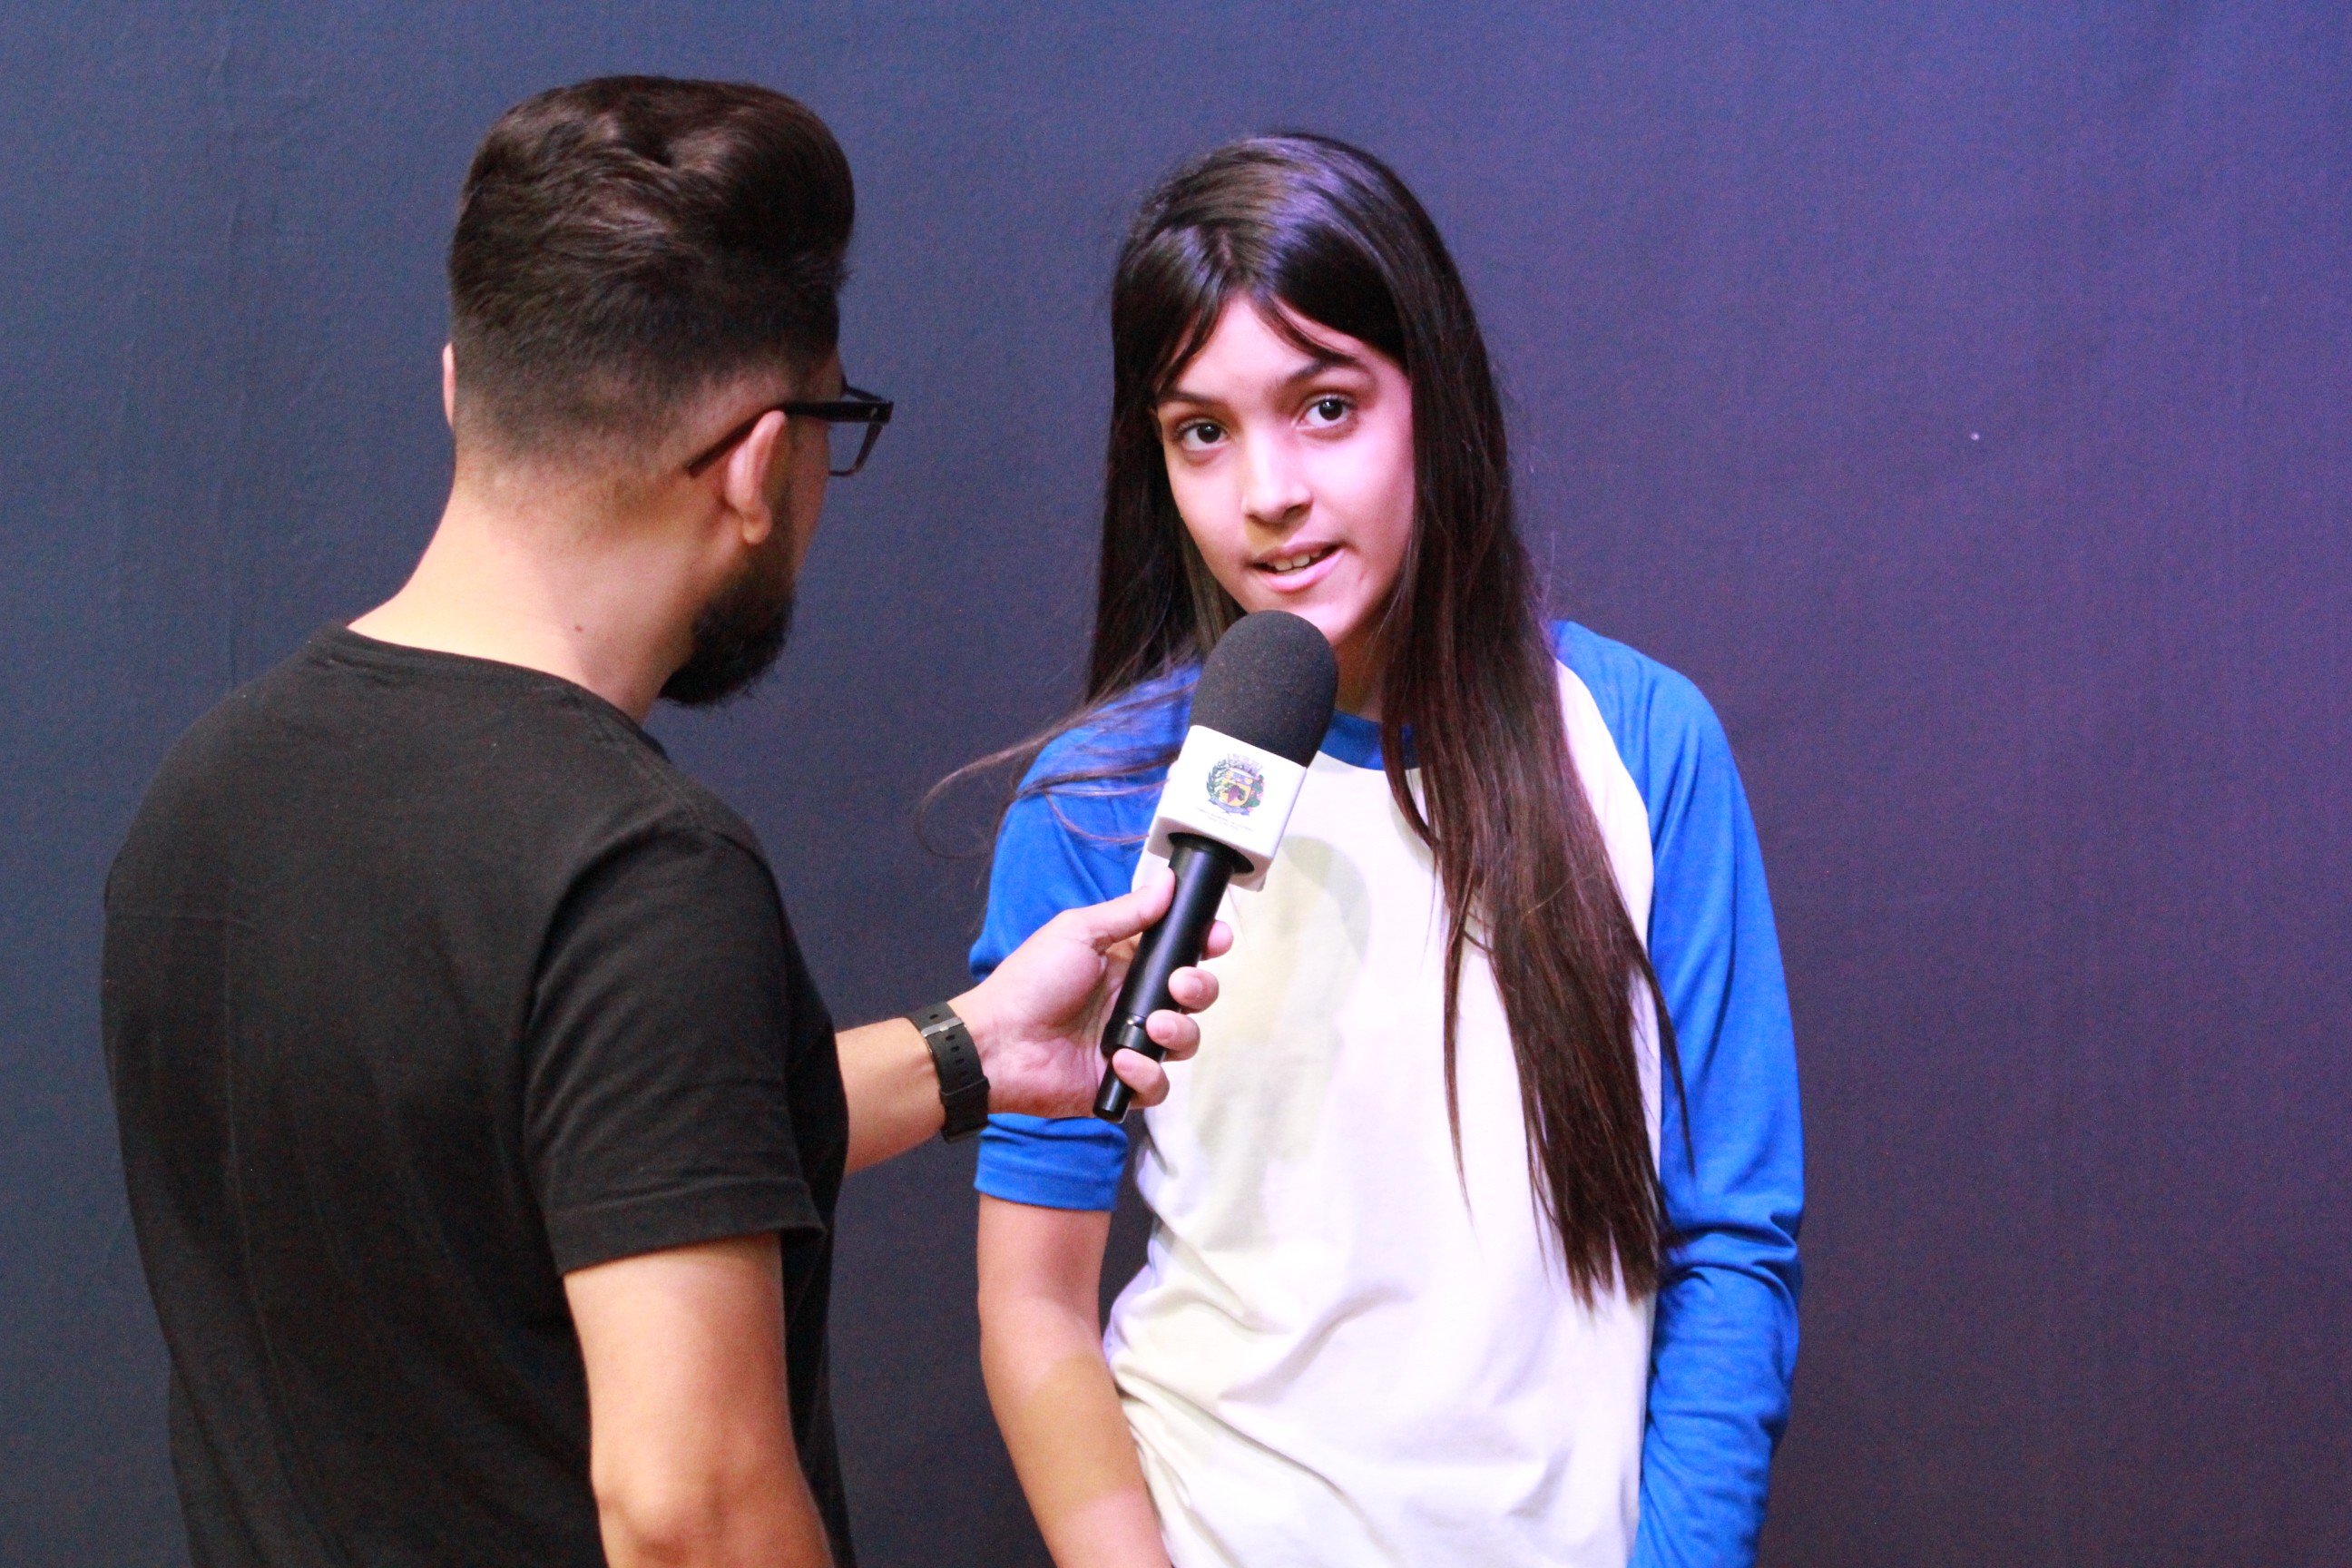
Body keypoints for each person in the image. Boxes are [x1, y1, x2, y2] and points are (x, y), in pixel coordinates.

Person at [100, 77, 1226, 1568]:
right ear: (760, 462)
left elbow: (558, 1151)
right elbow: (689, 1513)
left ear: (459, 386)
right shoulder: (639, 878)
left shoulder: (205, 800)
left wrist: (973, 1053)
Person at [968, 134, 1803, 1567]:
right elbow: (1033, 1301)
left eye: (1327, 407)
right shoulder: (1096, 804)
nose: (1270, 490)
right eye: (1202, 432)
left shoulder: (1641, 745)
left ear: (1434, 403)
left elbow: (1729, 1244)